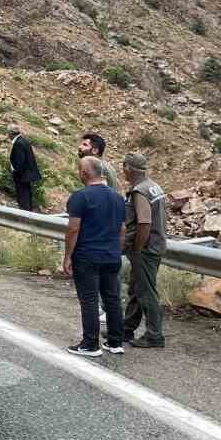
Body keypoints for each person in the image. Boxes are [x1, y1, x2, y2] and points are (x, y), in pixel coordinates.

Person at [64, 156, 127, 358]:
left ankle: (90, 344)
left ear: (84, 173)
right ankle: (116, 342)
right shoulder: (118, 198)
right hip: (112, 256)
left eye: (79, 170)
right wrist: (117, 251)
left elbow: (73, 229)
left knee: (89, 299)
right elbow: (122, 230)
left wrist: (68, 256)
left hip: (87, 256)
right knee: (112, 298)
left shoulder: (80, 197)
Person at [121, 152, 167, 349]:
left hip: (146, 248)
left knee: (146, 292)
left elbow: (144, 223)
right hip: (156, 244)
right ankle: (126, 328)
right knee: (136, 288)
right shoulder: (153, 186)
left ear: (128, 168)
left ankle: (154, 335)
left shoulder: (139, 192)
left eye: (124, 167)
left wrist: (138, 248)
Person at [8, 125, 42, 212]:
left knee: (23, 198)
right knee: (27, 196)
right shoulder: (24, 140)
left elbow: (20, 162)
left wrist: (15, 172)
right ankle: (28, 213)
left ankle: (24, 215)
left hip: (22, 176)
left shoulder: (18, 143)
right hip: (26, 175)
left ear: (11, 133)